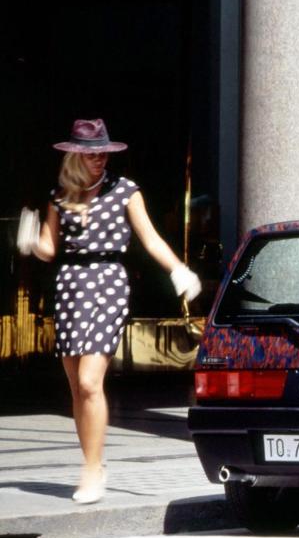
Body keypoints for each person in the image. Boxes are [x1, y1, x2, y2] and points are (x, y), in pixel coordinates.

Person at [17, 119, 201, 505]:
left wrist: (178, 271)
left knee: (89, 382)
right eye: (91, 153)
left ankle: (92, 468)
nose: (99, 160)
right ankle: (91, 463)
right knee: (76, 388)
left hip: (108, 284)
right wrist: (31, 241)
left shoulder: (124, 191)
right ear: (76, 155)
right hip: (69, 286)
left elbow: (150, 238)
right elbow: (51, 249)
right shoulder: (59, 196)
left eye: (103, 153)